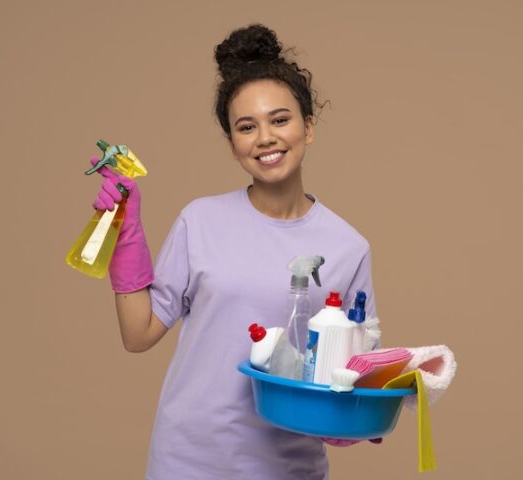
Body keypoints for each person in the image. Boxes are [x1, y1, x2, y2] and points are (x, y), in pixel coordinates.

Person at [90, 24, 378, 480]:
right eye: (247, 127)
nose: (265, 137)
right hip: (186, 461)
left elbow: (348, 369)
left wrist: (354, 413)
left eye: (280, 120)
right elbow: (138, 335)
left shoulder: (348, 247)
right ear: (233, 144)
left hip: (288, 468)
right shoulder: (199, 221)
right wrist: (125, 236)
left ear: (308, 128)